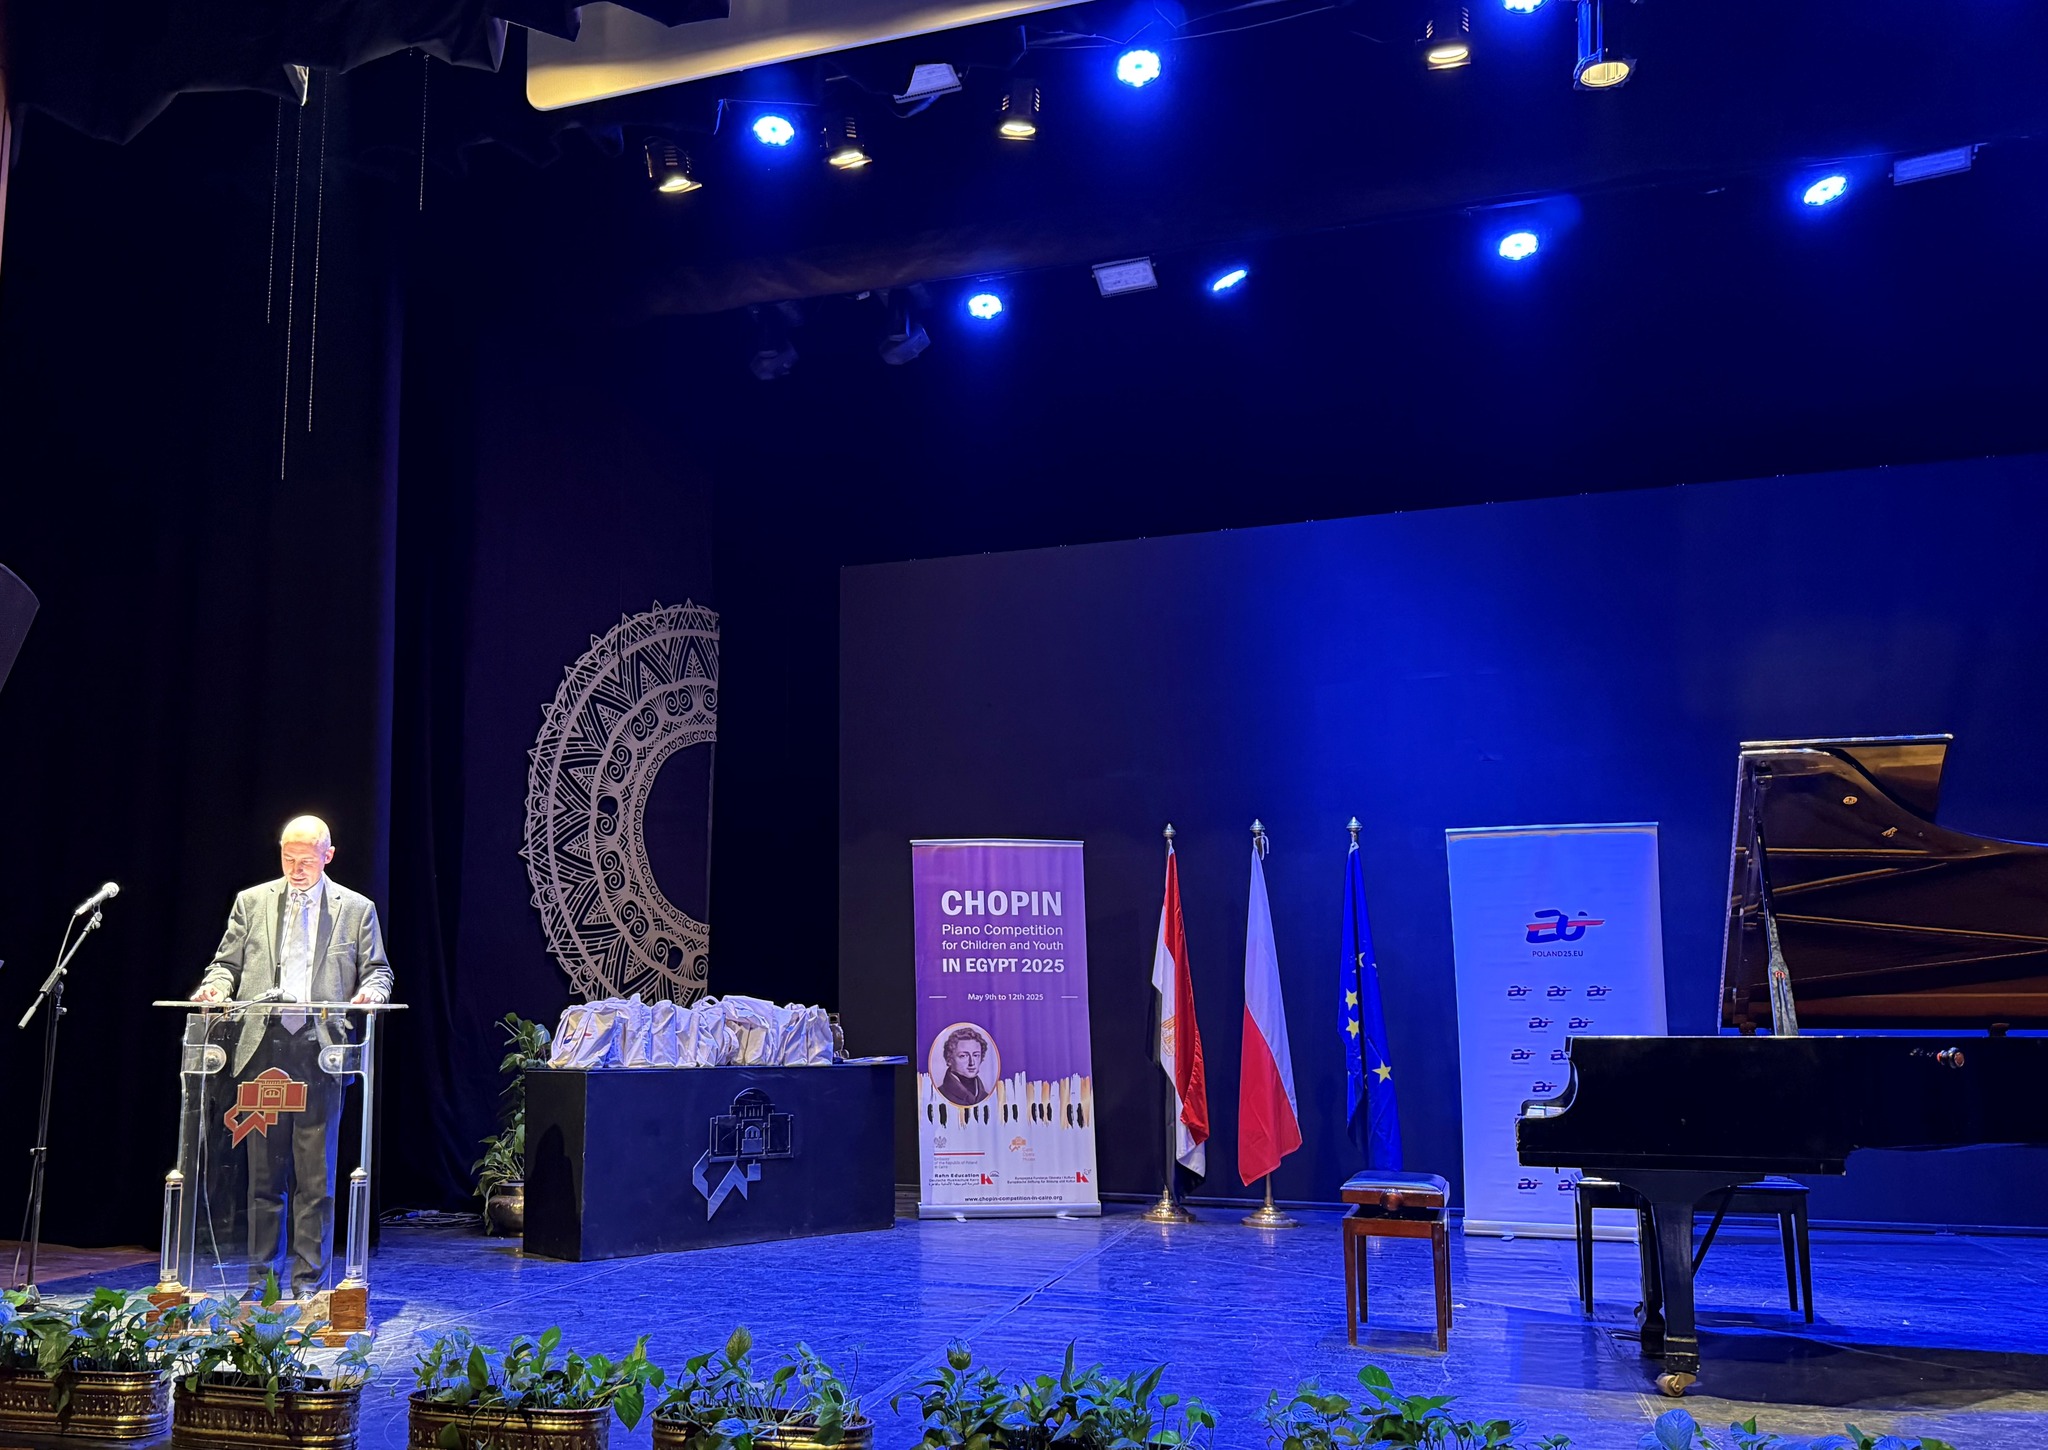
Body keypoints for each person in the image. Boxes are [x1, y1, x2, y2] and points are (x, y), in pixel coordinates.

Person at [191, 815, 392, 1298]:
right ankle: (262, 1285)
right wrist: (216, 987)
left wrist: (371, 993)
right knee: (263, 1180)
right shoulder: (252, 902)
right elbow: (225, 965)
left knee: (315, 1181)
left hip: (319, 1055)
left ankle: (308, 1285)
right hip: (264, 1051)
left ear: (328, 855)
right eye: (288, 858)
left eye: (306, 859)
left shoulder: (356, 909)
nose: (296, 868)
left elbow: (378, 972)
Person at [937, 1026, 992, 1107]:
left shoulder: (985, 1096)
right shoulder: (939, 1095)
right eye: (963, 1056)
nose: (971, 1062)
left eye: (976, 1055)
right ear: (949, 1059)